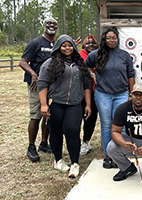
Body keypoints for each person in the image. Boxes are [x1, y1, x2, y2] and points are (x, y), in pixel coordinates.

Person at [38, 34, 91, 178]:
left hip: (74, 104)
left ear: (74, 47)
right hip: (56, 103)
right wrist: (43, 105)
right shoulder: (49, 63)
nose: (67, 48)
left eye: (69, 45)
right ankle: (58, 160)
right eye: (64, 45)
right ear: (58, 47)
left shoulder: (80, 64)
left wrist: (88, 104)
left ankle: (75, 163)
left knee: (72, 131)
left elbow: (86, 85)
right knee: (55, 132)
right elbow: (42, 83)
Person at [85, 27, 135, 168]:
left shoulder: (124, 55)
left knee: (121, 126)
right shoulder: (96, 54)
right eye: (109, 38)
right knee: (107, 125)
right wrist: (92, 75)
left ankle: (120, 155)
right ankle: (108, 156)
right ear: (104, 39)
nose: (112, 40)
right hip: (103, 95)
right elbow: (87, 66)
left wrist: (131, 94)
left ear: (117, 39)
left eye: (114, 38)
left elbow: (131, 75)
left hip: (121, 94)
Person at [19, 18, 58, 162]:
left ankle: (43, 143)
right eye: (49, 23)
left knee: (48, 114)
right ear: (43, 26)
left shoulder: (56, 44)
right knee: (36, 115)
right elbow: (23, 62)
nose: (51, 26)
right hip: (37, 85)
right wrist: (33, 74)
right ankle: (31, 146)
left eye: (54, 24)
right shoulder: (35, 43)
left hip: (52, 85)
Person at [79, 35, 99, 155]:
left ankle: (86, 142)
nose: (90, 45)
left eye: (93, 43)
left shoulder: (100, 55)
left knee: (90, 119)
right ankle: (76, 142)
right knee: (77, 118)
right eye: (87, 43)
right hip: (81, 92)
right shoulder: (79, 55)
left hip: (96, 93)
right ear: (83, 46)